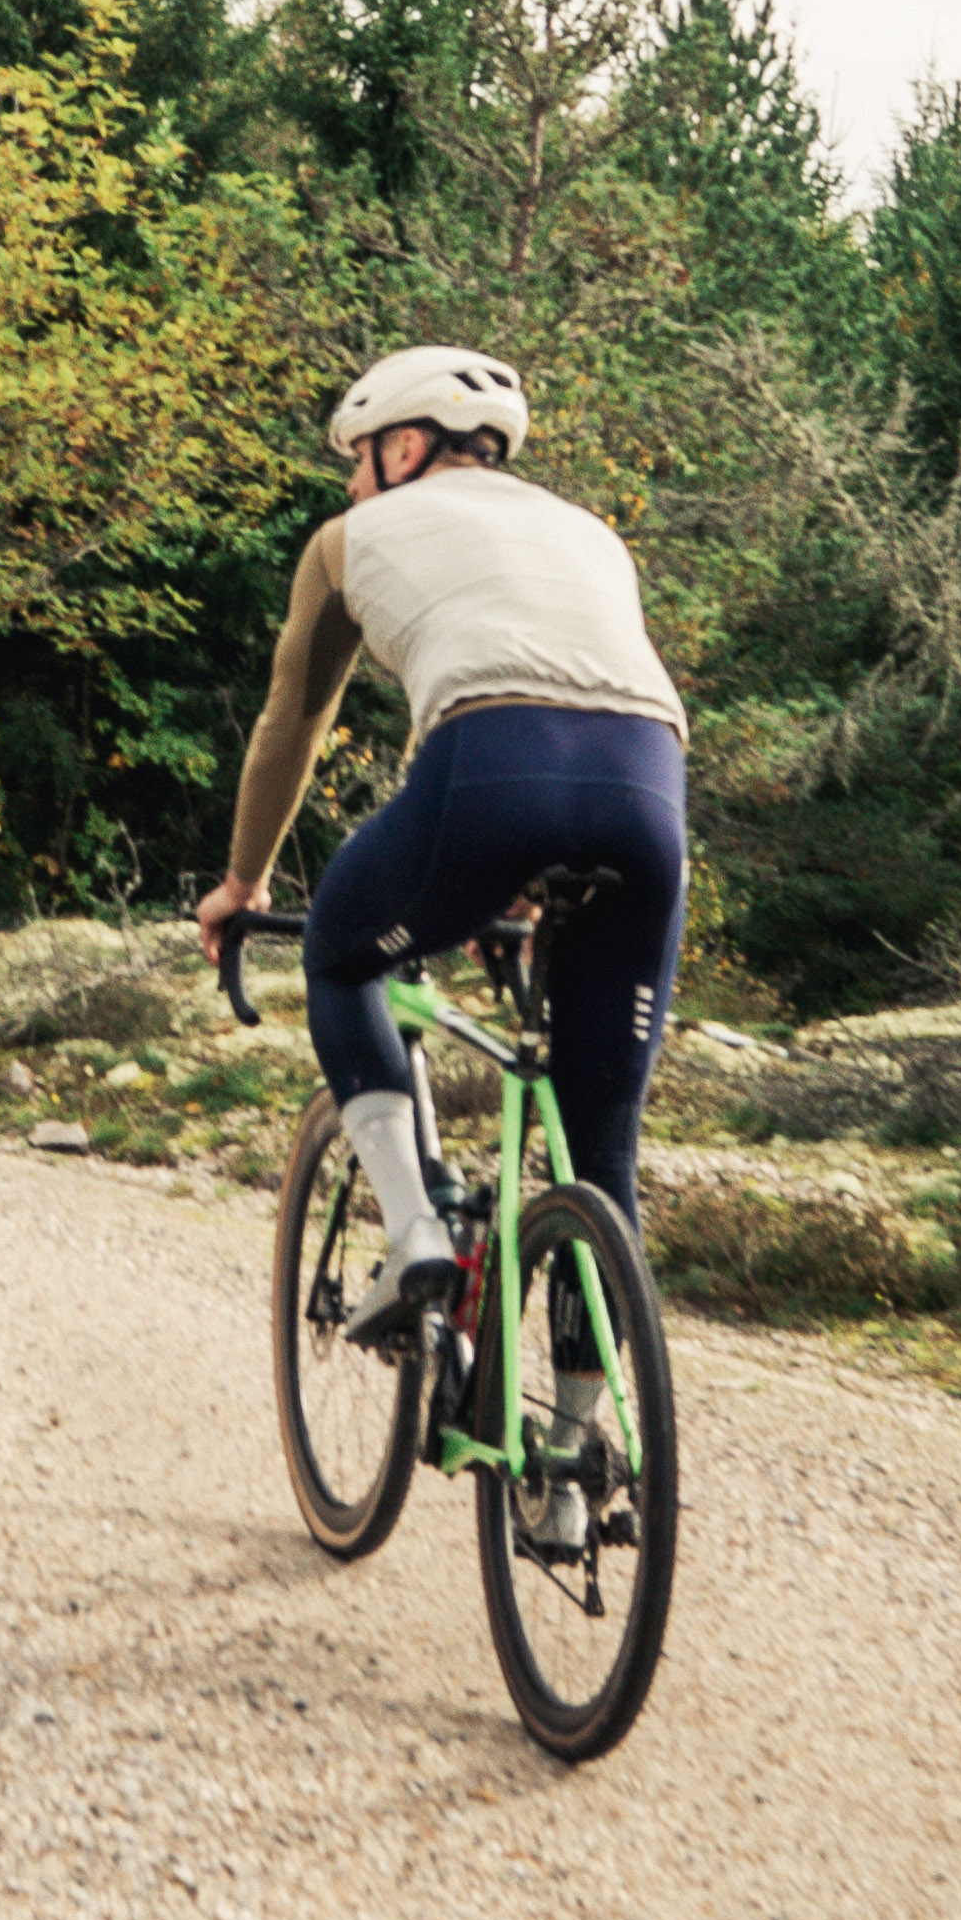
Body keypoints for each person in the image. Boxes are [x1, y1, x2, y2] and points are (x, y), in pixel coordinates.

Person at [193, 344, 685, 1538]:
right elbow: (586, 691)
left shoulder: (344, 543)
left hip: (488, 769)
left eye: (359, 463)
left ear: (401, 446)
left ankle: (415, 1234)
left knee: (342, 957)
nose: (353, 487)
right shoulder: (590, 533)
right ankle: (567, 1476)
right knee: (596, 1148)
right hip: (650, 791)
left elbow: (288, 724)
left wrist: (242, 879)